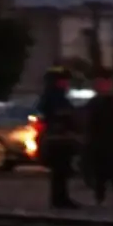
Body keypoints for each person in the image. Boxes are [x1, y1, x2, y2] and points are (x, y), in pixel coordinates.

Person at [81, 71, 113, 208]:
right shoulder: (93, 101)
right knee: (99, 171)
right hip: (97, 140)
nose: (100, 86)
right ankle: (99, 197)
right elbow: (88, 121)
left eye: (103, 83)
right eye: (98, 83)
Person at [35, 67, 80, 210]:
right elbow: (58, 114)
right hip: (57, 139)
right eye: (64, 81)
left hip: (59, 138)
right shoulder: (54, 97)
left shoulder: (55, 96)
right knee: (60, 171)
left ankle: (61, 198)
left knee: (62, 171)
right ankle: (59, 200)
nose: (67, 84)